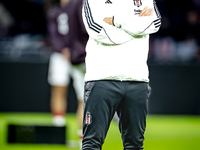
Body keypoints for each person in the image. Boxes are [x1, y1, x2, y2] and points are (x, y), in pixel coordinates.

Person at [81, 0, 161, 149]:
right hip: (101, 78)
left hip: (137, 79)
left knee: (135, 145)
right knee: (91, 144)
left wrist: (115, 20)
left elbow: (154, 23)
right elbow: (97, 30)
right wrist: (136, 27)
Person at [45, 0, 88, 144]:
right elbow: (53, 34)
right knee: (59, 89)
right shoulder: (55, 11)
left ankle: (83, 138)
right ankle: (58, 132)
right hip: (60, 55)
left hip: (78, 57)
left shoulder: (81, 6)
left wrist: (75, 50)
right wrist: (64, 49)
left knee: (83, 96)